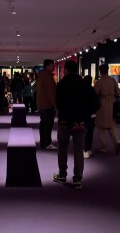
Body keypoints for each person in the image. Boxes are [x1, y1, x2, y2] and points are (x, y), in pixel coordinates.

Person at [53, 60, 97, 189]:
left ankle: (62, 174)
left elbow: (58, 103)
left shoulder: (61, 84)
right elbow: (95, 103)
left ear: (66, 70)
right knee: (78, 151)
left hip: (64, 122)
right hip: (80, 123)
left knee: (62, 149)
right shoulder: (85, 84)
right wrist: (86, 118)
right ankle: (77, 179)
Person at [94, 64, 120, 155]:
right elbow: (118, 92)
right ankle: (117, 141)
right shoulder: (113, 80)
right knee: (111, 126)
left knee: (100, 127)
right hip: (112, 104)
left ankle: (102, 147)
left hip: (102, 104)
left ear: (100, 71)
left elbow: (95, 93)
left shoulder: (99, 82)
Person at [36, 59, 57, 150]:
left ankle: (43, 143)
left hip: (42, 104)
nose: (54, 67)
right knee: (48, 125)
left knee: (43, 124)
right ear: (47, 66)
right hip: (48, 105)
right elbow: (51, 92)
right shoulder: (47, 77)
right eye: (52, 65)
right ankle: (47, 143)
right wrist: (55, 105)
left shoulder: (41, 76)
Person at [83, 75, 98, 159]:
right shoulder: (93, 90)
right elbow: (98, 103)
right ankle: (88, 149)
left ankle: (84, 150)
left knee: (83, 132)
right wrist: (94, 111)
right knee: (90, 132)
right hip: (91, 114)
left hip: (83, 114)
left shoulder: (80, 90)